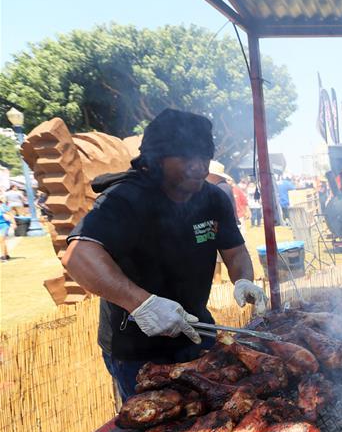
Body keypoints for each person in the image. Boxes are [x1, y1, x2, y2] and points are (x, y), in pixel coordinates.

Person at [62, 108, 268, 400]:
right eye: (185, 157)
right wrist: (143, 304)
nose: (197, 166)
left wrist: (244, 280)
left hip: (197, 331)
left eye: (203, 157)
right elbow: (79, 255)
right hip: (138, 349)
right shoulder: (125, 198)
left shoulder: (213, 199)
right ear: (156, 158)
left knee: (208, 416)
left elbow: (235, 252)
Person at [0, 194, 13, 261]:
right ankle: (6, 254)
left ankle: (3, 257)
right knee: (2, 241)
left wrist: (14, 223)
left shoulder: (2, 206)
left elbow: (10, 214)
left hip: (4, 225)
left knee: (1, 240)